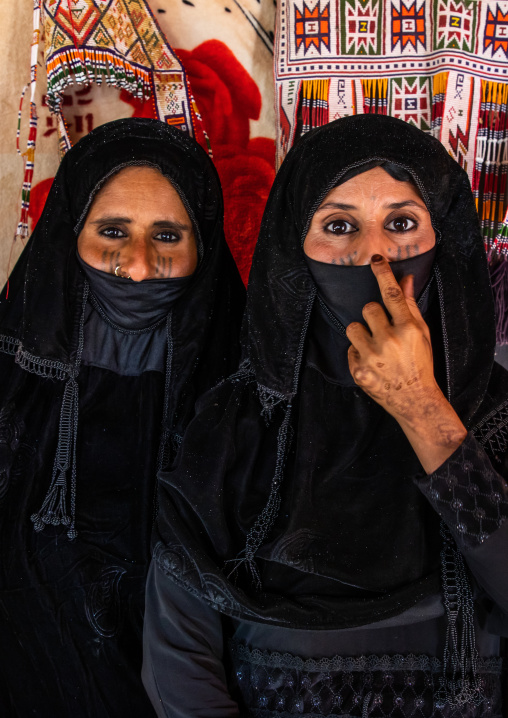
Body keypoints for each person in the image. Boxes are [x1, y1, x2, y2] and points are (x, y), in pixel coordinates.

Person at [143, 114, 508, 718]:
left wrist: (422, 408)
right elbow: (180, 657)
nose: (375, 254)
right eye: (339, 226)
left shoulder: (495, 413)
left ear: (447, 236)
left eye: (402, 222)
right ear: (294, 247)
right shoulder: (236, 424)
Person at [0, 117, 245, 717]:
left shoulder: (244, 392)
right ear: (69, 233)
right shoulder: (9, 377)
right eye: (112, 231)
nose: (136, 265)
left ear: (202, 248)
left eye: (167, 236)